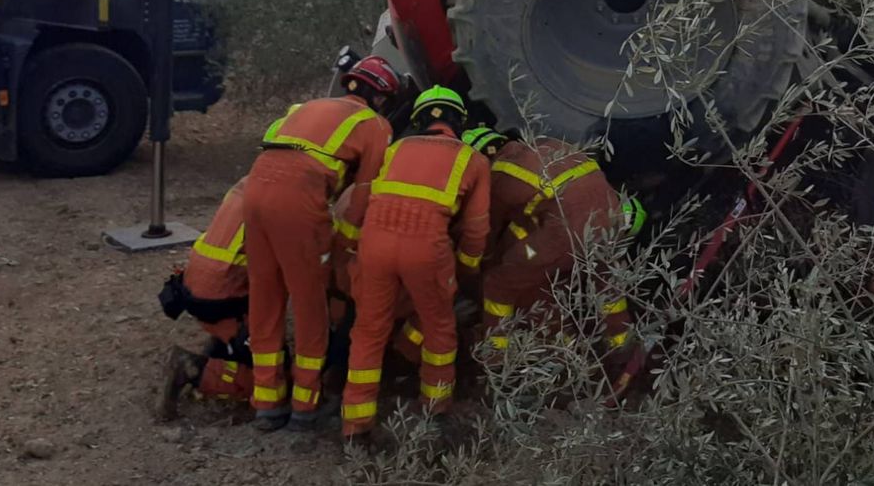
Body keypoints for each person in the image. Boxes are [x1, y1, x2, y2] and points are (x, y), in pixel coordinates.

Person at [242, 56, 406, 431]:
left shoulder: (307, 106)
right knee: (309, 299)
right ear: (380, 98)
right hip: (297, 195)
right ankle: (305, 406)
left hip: (256, 184)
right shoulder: (374, 125)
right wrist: (344, 244)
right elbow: (364, 191)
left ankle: (266, 404)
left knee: (264, 293)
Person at [341, 87, 492, 440]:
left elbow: (365, 195)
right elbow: (476, 229)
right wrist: (466, 269)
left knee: (368, 331)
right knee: (439, 328)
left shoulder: (397, 149)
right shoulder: (474, 160)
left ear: (420, 121)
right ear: (459, 122)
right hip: (427, 247)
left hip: (374, 242)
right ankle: (434, 414)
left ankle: (355, 426)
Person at [466, 129, 643, 365]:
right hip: (610, 220)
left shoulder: (500, 172)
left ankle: (497, 358)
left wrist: (478, 263)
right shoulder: (548, 145)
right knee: (606, 281)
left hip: (566, 232)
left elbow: (488, 227)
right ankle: (622, 342)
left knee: (499, 282)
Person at [155, 177, 253, 420]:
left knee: (238, 334)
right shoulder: (291, 198)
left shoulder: (250, 183)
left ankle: (219, 347)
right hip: (222, 293)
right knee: (263, 377)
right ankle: (194, 370)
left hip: (199, 281)